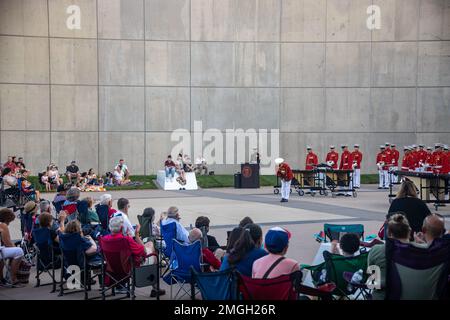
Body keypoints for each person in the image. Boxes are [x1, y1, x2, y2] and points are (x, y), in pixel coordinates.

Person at [101, 217, 165, 297]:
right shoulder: (126, 240)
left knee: (149, 245)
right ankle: (156, 288)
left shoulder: (104, 239)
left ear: (110, 228)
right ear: (121, 228)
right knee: (154, 255)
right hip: (127, 269)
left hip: (111, 269)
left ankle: (155, 287)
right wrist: (137, 235)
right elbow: (143, 251)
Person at [368, 213, 412, 300]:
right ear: (409, 232)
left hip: (381, 295)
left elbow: (372, 281)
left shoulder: (376, 250)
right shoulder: (418, 251)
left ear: (389, 233)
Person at [0, 208, 25, 287]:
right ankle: (13, 279)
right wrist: (14, 247)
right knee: (19, 251)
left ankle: (1, 279)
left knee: (3, 255)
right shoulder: (3, 225)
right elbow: (7, 243)